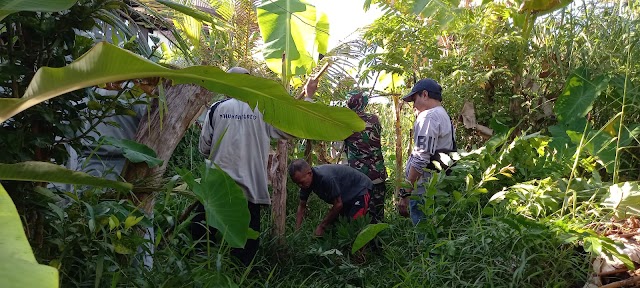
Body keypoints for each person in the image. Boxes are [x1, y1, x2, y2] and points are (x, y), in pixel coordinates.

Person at [195, 66, 292, 266]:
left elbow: (204, 148)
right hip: (251, 187)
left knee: (201, 235)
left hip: (217, 186)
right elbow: (291, 130)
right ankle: (240, 275)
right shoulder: (263, 110)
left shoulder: (216, 109)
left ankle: (203, 270)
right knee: (246, 244)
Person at [397, 78, 455, 226]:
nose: (413, 105)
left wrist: (406, 192)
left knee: (424, 232)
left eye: (414, 99)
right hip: (437, 184)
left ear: (424, 94)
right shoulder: (443, 114)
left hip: (424, 188)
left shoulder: (428, 117)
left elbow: (420, 158)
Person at [289, 159, 373, 237]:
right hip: (345, 198)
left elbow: (338, 204)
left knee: (354, 229)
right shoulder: (306, 184)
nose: (300, 186)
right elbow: (302, 206)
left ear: (309, 173)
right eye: (297, 183)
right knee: (336, 228)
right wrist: (297, 232)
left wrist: (322, 226)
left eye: (301, 182)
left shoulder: (326, 178)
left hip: (361, 190)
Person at [343, 91, 387, 223]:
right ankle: (380, 242)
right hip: (378, 174)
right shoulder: (374, 119)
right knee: (378, 215)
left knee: (362, 215)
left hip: (360, 178)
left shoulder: (347, 123)